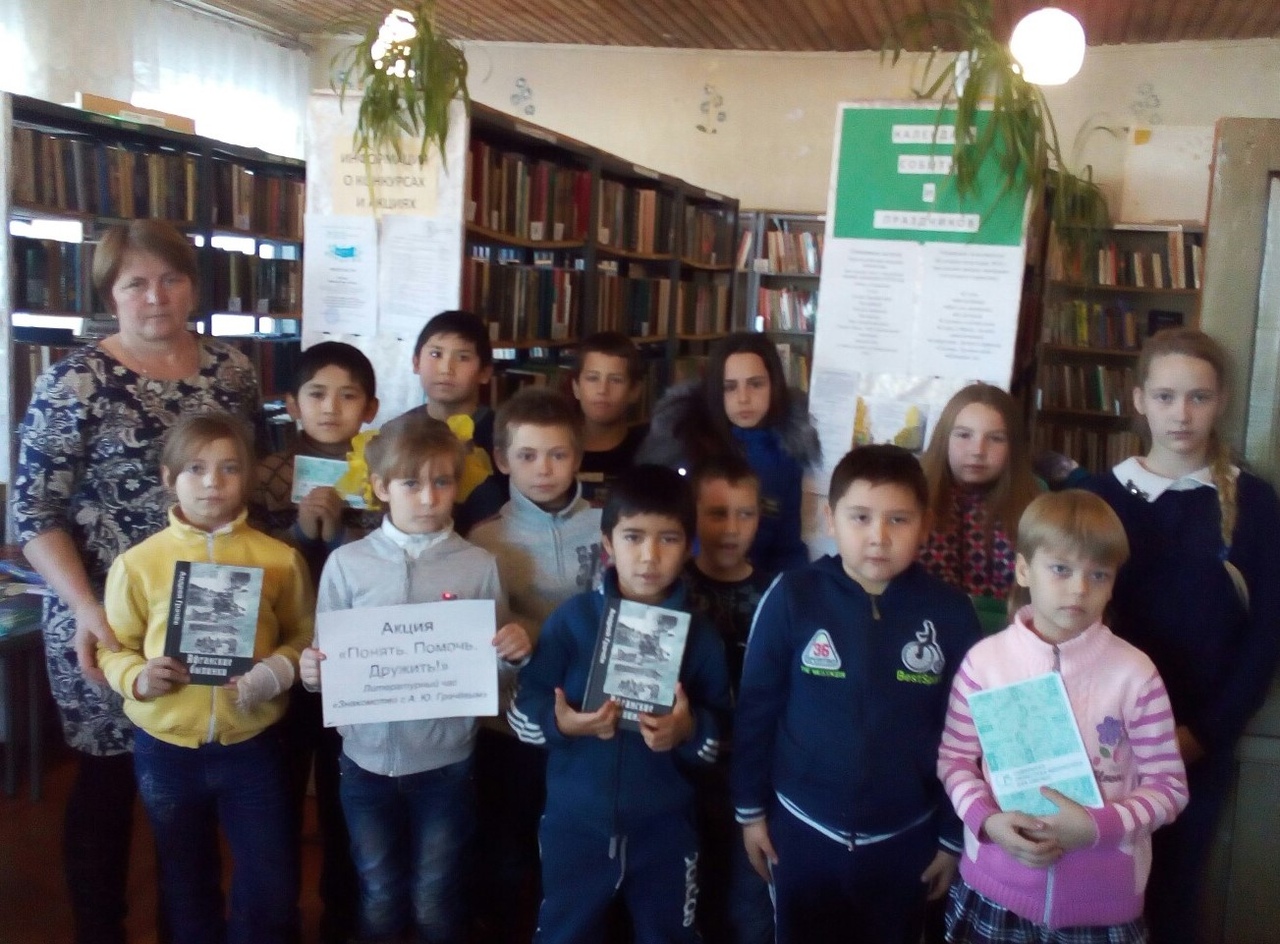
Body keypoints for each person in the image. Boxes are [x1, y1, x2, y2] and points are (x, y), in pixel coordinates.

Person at [11, 219, 258, 944]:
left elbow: (250, 481)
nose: (156, 296)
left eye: (171, 279)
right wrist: (89, 610)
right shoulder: (72, 382)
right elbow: (34, 514)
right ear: (110, 294)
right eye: (136, 283)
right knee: (109, 784)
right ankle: (101, 929)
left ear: (193, 287)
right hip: (106, 618)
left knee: (199, 780)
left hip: (213, 612)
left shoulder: (232, 372)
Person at [732, 444, 982, 944]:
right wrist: (750, 811)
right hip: (802, 829)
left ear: (925, 525)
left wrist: (953, 837)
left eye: (898, 519)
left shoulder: (953, 614)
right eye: (861, 517)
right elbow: (756, 709)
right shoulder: (792, 595)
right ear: (830, 518)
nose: (878, 537)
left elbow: (968, 735)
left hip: (907, 837)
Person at [299, 412, 531, 944]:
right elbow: (327, 663)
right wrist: (312, 673)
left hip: (446, 764)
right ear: (381, 487)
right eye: (411, 483)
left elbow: (491, 668)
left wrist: (512, 655)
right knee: (379, 890)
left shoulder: (478, 565)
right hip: (365, 764)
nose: (428, 498)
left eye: (442, 482)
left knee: (436, 892)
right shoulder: (347, 564)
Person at [1086, 327, 1280, 943]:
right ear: (1139, 400)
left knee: (1169, 900)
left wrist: (1199, 736)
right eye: (1166, 397)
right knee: (1092, 897)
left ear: (1221, 402)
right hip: (1098, 744)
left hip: (1195, 743)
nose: (1181, 414)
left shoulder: (1255, 505)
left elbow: (1266, 638)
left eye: (1199, 397)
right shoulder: (1095, 495)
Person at [98, 412, 313, 944]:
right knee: (184, 880)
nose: (212, 481)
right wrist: (138, 678)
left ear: (248, 476)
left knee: (269, 884)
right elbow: (112, 648)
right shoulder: (138, 564)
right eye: (195, 468)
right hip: (167, 749)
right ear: (169, 477)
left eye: (229, 468)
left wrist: (276, 671)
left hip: (252, 746)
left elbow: (304, 635)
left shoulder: (280, 559)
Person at [938, 489, 1189, 943]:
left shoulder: (1136, 674)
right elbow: (955, 760)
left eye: (1099, 574)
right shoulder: (984, 664)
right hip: (996, 888)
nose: (1079, 589)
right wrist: (988, 821)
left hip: (1103, 903)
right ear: (1023, 570)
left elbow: (1169, 787)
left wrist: (1097, 827)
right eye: (1061, 569)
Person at [508, 464, 732, 944]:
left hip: (665, 830)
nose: (650, 556)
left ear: (689, 547)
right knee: (565, 933)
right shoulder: (572, 621)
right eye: (633, 537)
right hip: (576, 823)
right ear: (608, 543)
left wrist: (688, 731)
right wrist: (562, 724)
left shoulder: (701, 638)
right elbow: (523, 709)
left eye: (668, 539)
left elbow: (721, 738)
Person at [250, 339, 380, 944]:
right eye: (317, 394)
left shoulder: (379, 472)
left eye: (348, 395)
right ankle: (274, 917)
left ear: (370, 408)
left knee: (343, 792)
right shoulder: (269, 473)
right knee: (277, 791)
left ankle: (342, 915)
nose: (331, 407)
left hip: (355, 659)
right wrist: (300, 532)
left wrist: (342, 537)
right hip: (283, 651)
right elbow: (250, 564)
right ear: (292, 404)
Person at [469, 387, 604, 943]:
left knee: (577, 843)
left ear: (578, 457)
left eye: (557, 454)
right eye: (527, 456)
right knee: (508, 845)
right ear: (502, 460)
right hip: (511, 724)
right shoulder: (485, 540)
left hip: (590, 718)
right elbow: (477, 644)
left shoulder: (607, 527)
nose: (543, 469)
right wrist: (510, 645)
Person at [682, 457, 775, 944]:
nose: (732, 529)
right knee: (689, 899)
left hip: (752, 775)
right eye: (717, 513)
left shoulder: (779, 594)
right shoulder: (672, 589)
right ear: (694, 513)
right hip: (682, 772)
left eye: (745, 514)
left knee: (748, 906)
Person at [638, 331, 819, 574]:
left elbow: (786, 547)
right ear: (716, 391)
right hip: (684, 578)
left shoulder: (787, 453)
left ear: (774, 385)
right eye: (730, 387)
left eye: (755, 384)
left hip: (755, 584)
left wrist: (789, 592)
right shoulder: (682, 443)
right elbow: (654, 527)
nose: (743, 398)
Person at [919, 383, 1040, 634]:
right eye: (964, 435)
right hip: (926, 633)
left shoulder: (1036, 501)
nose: (977, 451)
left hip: (1010, 638)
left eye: (995, 438)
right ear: (944, 437)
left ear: (1013, 446)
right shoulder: (912, 494)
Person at [405, 309, 506, 533]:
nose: (446, 369)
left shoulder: (502, 432)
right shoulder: (400, 431)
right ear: (416, 362)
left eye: (462, 357)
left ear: (485, 372)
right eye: (435, 354)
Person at [570, 331, 648, 507]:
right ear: (576, 387)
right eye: (592, 378)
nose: (602, 390)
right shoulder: (554, 450)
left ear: (634, 390)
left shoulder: (649, 454)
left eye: (616, 380)